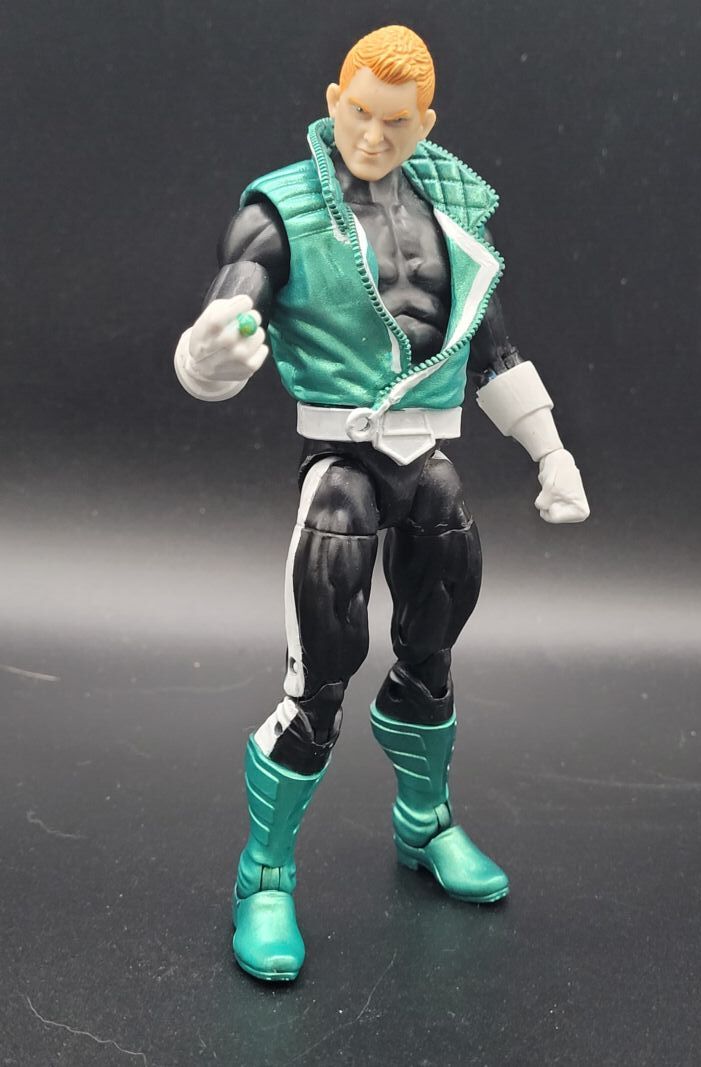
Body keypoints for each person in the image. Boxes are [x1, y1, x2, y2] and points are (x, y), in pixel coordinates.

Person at [174, 25, 589, 982]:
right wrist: (208, 354)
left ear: (424, 123)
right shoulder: (281, 210)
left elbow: (491, 348)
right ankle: (264, 876)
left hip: (428, 461)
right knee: (319, 681)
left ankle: (425, 822)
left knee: (431, 657)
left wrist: (551, 450)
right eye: (358, 112)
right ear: (333, 101)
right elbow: (228, 312)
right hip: (342, 466)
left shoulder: (456, 211)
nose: (371, 135)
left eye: (394, 121)